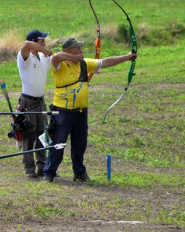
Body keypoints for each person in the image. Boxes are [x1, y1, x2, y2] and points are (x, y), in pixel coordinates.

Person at [42, 37, 137, 183]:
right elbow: (56, 56)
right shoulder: (59, 64)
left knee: (80, 144)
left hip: (80, 111)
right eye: (77, 48)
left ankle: (79, 172)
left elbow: (105, 62)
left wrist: (127, 57)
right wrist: (73, 57)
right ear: (69, 51)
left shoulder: (84, 63)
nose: (80, 51)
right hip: (62, 111)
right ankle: (49, 174)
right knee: (57, 143)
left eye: (80, 49)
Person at [17, 29, 53, 178]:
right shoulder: (24, 57)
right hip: (28, 100)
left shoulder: (43, 58)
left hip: (40, 101)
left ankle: (42, 166)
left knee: (43, 135)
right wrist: (45, 50)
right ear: (34, 43)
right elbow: (26, 44)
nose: (44, 43)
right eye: (41, 41)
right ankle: (29, 168)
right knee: (29, 135)